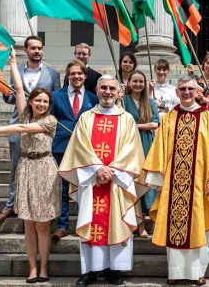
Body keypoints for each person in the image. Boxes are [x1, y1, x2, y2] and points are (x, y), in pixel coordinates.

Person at [0, 48, 61, 284]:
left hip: (44, 169)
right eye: (38, 100)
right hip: (25, 168)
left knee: (43, 226)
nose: (42, 104)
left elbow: (21, 130)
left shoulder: (50, 121)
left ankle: (44, 268)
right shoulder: (25, 115)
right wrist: (13, 63)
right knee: (29, 226)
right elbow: (20, 89)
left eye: (45, 101)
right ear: (32, 102)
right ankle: (32, 269)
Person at [58, 75, 147, 287]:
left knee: (116, 221)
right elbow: (80, 147)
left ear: (118, 92)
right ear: (97, 91)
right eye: (104, 88)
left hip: (117, 182)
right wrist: (98, 169)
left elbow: (132, 149)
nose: (108, 92)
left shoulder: (126, 119)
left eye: (112, 89)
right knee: (92, 221)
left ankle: (113, 269)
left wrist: (112, 170)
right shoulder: (86, 118)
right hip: (92, 180)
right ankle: (90, 270)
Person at [143, 76, 209, 286]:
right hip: (174, 184)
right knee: (175, 225)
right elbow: (160, 151)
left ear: (197, 91)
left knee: (199, 225)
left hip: (200, 184)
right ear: (177, 92)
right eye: (182, 89)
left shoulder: (208, 118)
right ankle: (174, 272)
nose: (186, 92)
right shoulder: (169, 118)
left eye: (190, 89)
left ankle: (198, 271)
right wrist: (159, 180)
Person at [0, 35, 61, 222]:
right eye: (33, 48)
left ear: (43, 50)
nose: (37, 51)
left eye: (39, 48)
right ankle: (11, 206)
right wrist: (5, 92)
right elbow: (10, 98)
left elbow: (54, 100)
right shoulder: (18, 71)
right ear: (26, 50)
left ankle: (41, 206)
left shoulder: (53, 73)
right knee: (16, 167)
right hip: (19, 124)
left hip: (41, 128)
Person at [49, 60, 99, 240]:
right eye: (72, 74)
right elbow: (50, 121)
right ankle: (62, 225)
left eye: (79, 73)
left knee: (84, 186)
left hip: (85, 150)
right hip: (61, 147)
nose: (76, 76)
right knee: (62, 188)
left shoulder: (94, 98)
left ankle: (83, 223)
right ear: (67, 76)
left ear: (85, 76)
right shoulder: (56, 96)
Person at [123, 70, 160, 238]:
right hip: (129, 144)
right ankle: (132, 223)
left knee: (145, 184)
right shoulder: (123, 101)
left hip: (146, 144)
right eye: (135, 81)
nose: (138, 84)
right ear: (129, 83)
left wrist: (135, 126)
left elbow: (155, 123)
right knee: (131, 183)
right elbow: (121, 123)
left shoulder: (150, 102)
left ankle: (142, 225)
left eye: (141, 81)